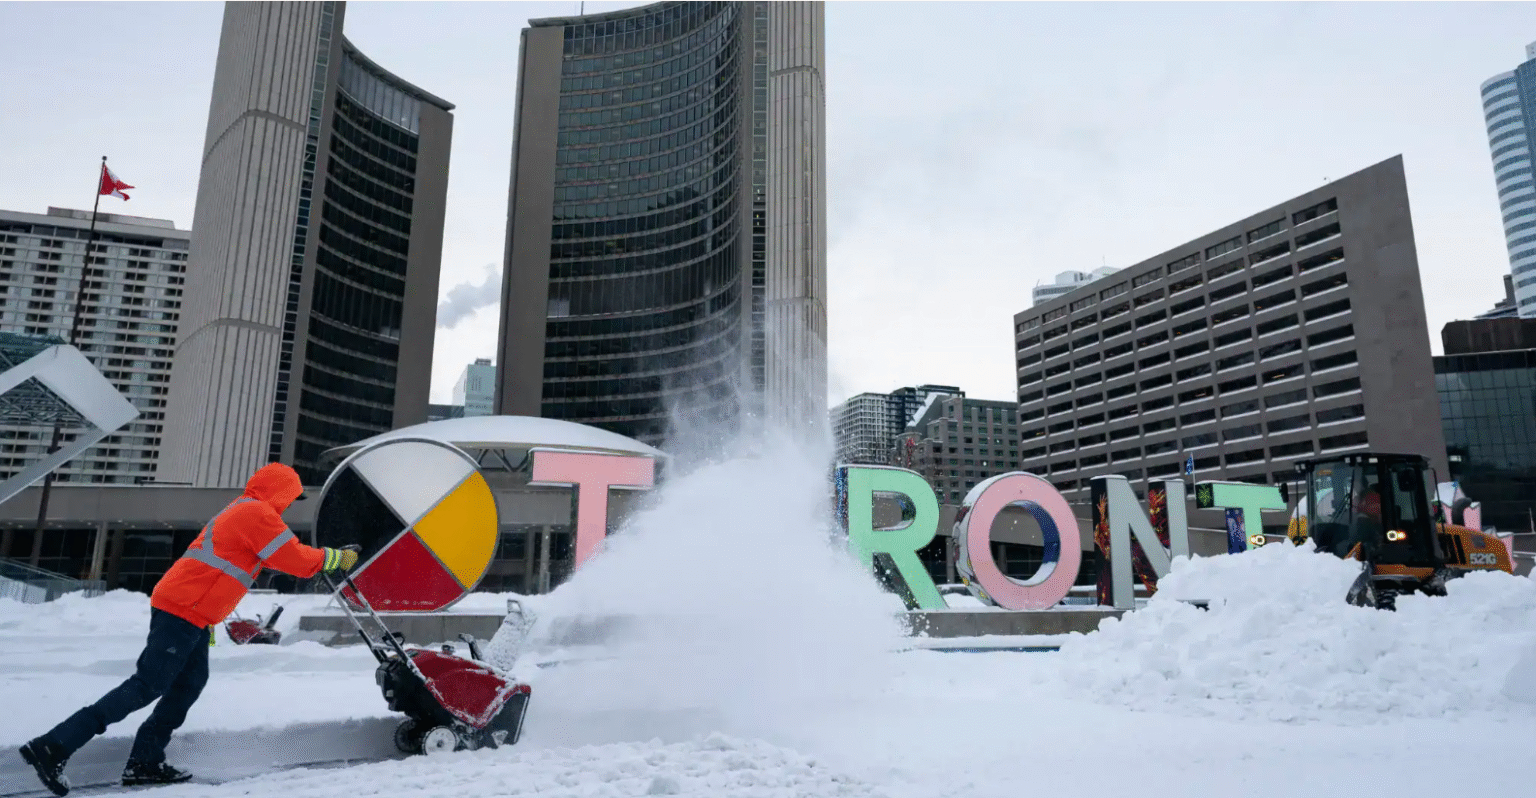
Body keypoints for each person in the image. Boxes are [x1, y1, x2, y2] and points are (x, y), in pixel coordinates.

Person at [18, 463, 360, 796]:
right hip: (183, 608)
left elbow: (274, 559)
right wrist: (335, 558)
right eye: (289, 498)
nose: (288, 506)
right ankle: (54, 745)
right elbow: (297, 561)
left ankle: (145, 761)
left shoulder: (248, 514)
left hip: (193, 613)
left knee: (188, 684)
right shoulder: (256, 514)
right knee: (147, 685)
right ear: (278, 492)